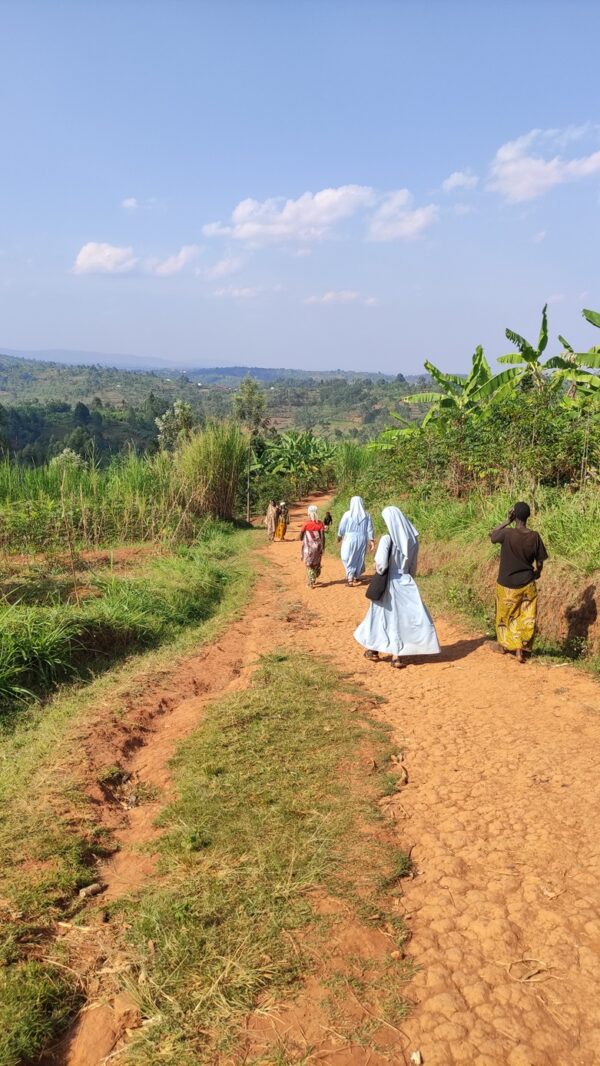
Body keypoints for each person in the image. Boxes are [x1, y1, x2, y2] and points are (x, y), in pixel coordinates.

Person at [354, 506, 440, 669]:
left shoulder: (388, 539)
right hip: (406, 581)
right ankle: (396, 655)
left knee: (380, 615)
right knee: (405, 618)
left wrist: (377, 568)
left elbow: (382, 564)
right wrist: (408, 578)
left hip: (389, 582)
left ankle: (376, 650)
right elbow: (413, 565)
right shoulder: (413, 540)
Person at [490, 502, 548, 663]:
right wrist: (538, 572)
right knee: (526, 615)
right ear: (528, 516)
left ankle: (503, 646)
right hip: (527, 583)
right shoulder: (534, 536)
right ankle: (520, 650)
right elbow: (540, 561)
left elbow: (493, 536)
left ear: (514, 515)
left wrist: (507, 521)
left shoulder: (507, 534)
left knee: (505, 616)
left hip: (506, 584)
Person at [337, 496, 375, 586]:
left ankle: (350, 578)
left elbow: (342, 526)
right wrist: (371, 540)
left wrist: (339, 536)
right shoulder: (366, 515)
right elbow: (370, 528)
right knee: (359, 557)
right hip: (362, 539)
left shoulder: (347, 514)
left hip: (349, 539)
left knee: (346, 556)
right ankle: (356, 575)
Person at [300, 504, 325, 588]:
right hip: (318, 548)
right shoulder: (320, 523)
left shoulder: (306, 524)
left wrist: (302, 538)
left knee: (309, 564)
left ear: (308, 513)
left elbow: (301, 536)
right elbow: (323, 537)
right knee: (316, 563)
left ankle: (311, 582)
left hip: (309, 549)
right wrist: (323, 547)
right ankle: (314, 577)